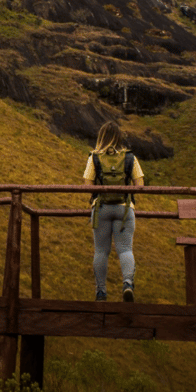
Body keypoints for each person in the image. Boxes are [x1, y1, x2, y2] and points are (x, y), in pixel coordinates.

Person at [83, 121, 144, 301]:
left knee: (101, 251)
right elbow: (139, 184)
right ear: (119, 137)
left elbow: (88, 186)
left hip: (101, 209)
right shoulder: (130, 158)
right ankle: (127, 283)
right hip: (124, 209)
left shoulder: (94, 157)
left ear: (101, 136)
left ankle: (101, 292)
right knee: (125, 250)